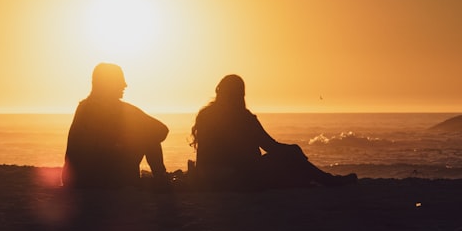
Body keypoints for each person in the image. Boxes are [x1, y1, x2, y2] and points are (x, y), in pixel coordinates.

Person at [191, 74, 356, 190]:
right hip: (236, 176)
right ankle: (328, 180)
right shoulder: (243, 118)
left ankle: (322, 179)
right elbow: (271, 146)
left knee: (291, 166)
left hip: (207, 177)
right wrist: (294, 152)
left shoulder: (205, 115)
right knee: (291, 154)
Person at [63, 63, 169, 188]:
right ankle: (161, 178)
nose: (125, 85)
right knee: (149, 135)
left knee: (143, 133)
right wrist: (132, 136)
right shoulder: (119, 109)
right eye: (120, 80)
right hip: (105, 181)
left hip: (75, 180)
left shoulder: (83, 108)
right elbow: (162, 130)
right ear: (108, 84)